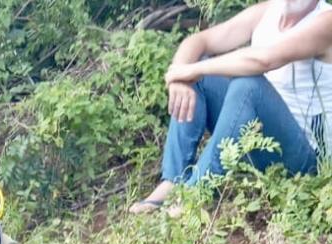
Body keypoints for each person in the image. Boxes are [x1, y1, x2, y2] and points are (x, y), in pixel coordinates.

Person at [129, 0, 332, 214]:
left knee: (248, 85)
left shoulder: (326, 21)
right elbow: (199, 40)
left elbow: (264, 60)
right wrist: (180, 75)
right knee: (200, 76)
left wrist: (191, 70)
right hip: (258, 139)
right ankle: (172, 180)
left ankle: (193, 194)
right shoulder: (266, 12)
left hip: (305, 158)